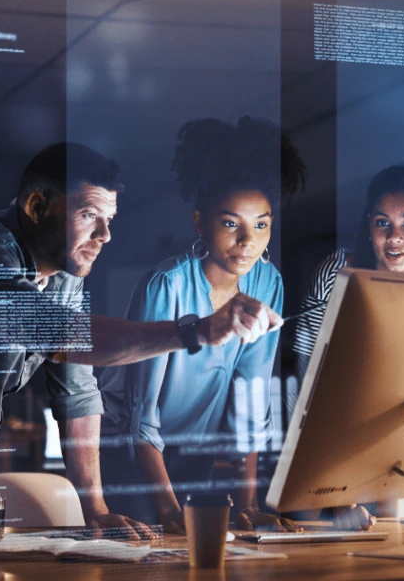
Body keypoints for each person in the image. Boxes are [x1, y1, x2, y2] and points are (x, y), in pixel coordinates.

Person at [0, 142, 282, 581]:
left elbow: (77, 392)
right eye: (88, 216)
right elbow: (53, 332)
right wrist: (193, 331)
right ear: (37, 206)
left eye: (109, 219)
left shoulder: (65, 279)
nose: (104, 235)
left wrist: (94, 509)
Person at [98, 117, 305, 535]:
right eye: (230, 223)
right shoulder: (167, 285)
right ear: (200, 222)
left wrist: (249, 505)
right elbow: (141, 416)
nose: (247, 240)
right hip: (132, 460)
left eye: (261, 225)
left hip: (196, 455)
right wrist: (169, 509)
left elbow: (251, 401)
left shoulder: (268, 283)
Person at [291, 164, 404, 529]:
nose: (394, 237)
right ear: (369, 225)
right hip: (329, 435)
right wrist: (335, 494)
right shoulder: (336, 273)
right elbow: (307, 383)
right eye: (383, 222)